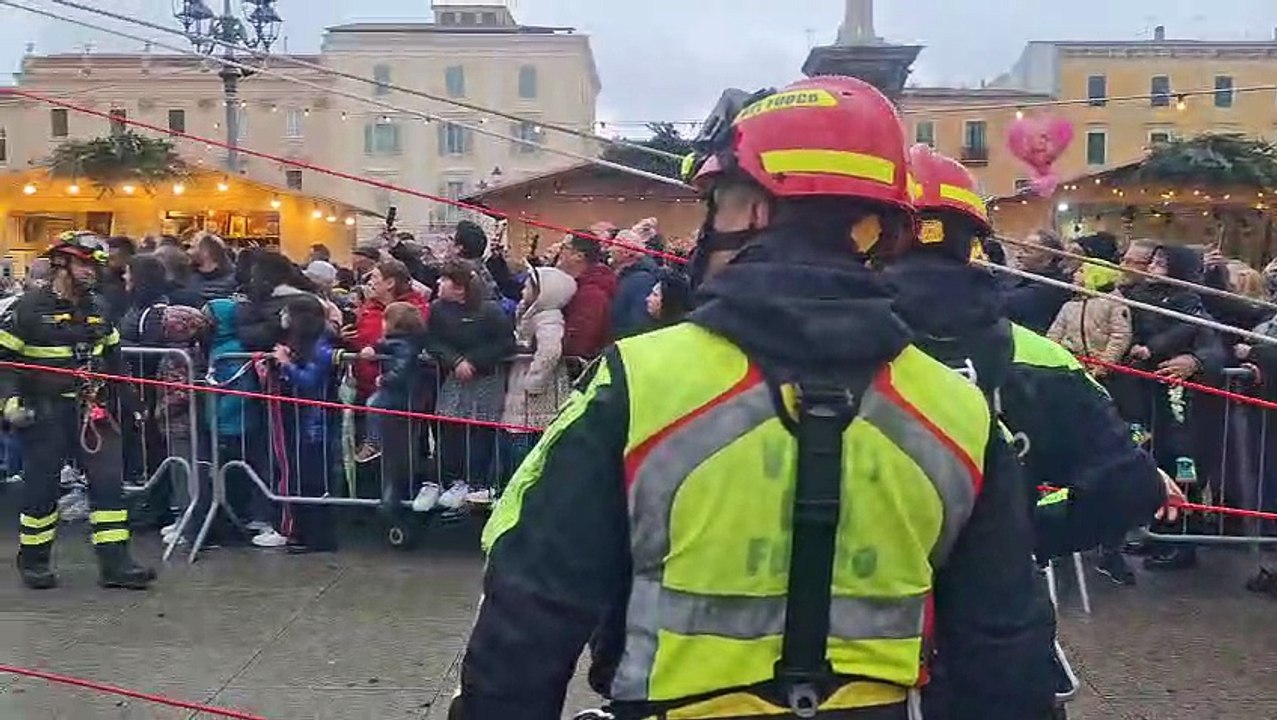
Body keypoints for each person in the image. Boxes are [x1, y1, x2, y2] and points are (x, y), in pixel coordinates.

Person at [453, 77, 1057, 720]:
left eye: (718, 202)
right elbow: (1006, 642)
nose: (711, 224)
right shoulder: (956, 410)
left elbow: (530, 606)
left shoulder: (639, 380)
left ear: (756, 212)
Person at [884, 145, 1170, 591]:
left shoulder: (810, 348)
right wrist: (1018, 536)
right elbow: (1129, 489)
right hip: (996, 620)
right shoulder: (1043, 359)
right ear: (974, 242)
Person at [0, 233, 155, 590]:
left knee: (108, 486)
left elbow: (115, 362)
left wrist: (132, 405)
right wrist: (11, 405)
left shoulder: (98, 308)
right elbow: (5, 363)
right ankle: (34, 559)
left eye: (94, 266)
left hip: (91, 410)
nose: (90, 272)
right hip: (44, 412)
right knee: (42, 487)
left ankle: (115, 562)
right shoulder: (27, 309)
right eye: (83, 264)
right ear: (61, 264)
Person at [423, 260, 514, 512]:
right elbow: (432, 341)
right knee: (449, 425)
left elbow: (505, 343)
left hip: (485, 377)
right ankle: (451, 480)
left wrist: (474, 361)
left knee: (480, 429)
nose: (439, 284)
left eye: (445, 280)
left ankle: (478, 482)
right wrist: (455, 361)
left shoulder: (491, 311)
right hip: (455, 376)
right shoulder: (438, 310)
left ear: (460, 287)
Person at [493, 266, 576, 499]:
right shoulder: (530, 314)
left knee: (526, 443)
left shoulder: (548, 318)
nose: (523, 288)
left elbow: (550, 351)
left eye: (529, 285)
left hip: (537, 396)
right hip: (522, 390)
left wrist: (534, 381)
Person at [268, 295, 337, 554]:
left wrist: (287, 365)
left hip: (316, 423)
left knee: (314, 480)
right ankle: (304, 532)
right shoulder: (305, 343)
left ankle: (318, 536)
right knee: (304, 477)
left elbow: (311, 381)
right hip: (305, 419)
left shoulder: (321, 346)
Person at [347, 258, 431, 403]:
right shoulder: (367, 308)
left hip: (398, 392)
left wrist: (376, 349)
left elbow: (405, 344)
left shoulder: (414, 309)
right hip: (364, 387)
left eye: (374, 277)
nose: (369, 282)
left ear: (390, 283)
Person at [1046, 248, 1133, 378]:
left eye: (1081, 271)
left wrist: (1105, 364)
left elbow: (1120, 336)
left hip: (1101, 368)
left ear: (1096, 276)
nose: (1075, 274)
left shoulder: (1114, 303)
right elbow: (1055, 333)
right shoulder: (1069, 306)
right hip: (1072, 366)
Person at [557, 231, 617, 360]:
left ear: (578, 256)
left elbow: (579, 344)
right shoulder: (579, 285)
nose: (559, 251)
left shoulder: (591, 294)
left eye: (564, 247)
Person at [1002, 229, 1074, 333]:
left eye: (1027, 251)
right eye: (1020, 249)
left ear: (1048, 258)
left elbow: (1008, 304)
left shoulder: (1055, 285)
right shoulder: (1023, 277)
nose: (1018, 255)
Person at [609, 229, 661, 338]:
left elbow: (639, 322)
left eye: (614, 244)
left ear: (626, 252)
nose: (610, 249)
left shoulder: (641, 280)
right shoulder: (624, 275)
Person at [188, 233, 237, 302]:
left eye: (193, 247)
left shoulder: (233, 278)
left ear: (206, 251)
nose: (188, 252)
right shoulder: (187, 276)